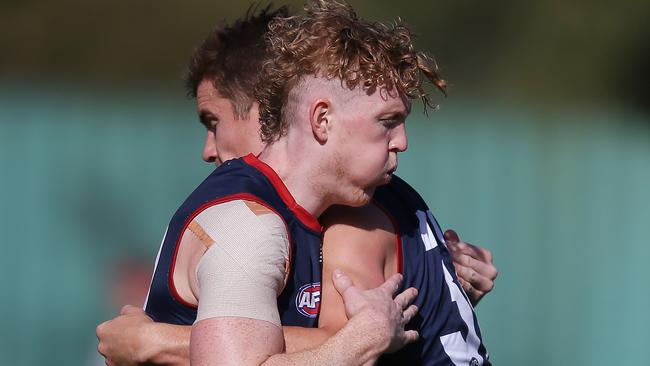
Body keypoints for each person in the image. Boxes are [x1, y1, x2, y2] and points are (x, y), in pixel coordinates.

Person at [96, 2, 496, 365]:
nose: (403, 143)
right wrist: (361, 341)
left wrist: (153, 341)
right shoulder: (249, 223)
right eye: (387, 121)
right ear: (322, 119)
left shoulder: (341, 206)